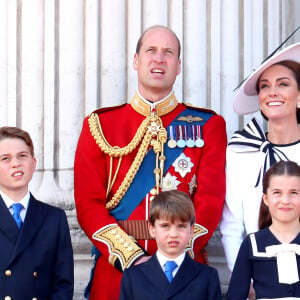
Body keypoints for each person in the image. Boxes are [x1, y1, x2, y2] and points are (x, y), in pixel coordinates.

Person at [74, 25, 227, 300]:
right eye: (151, 51)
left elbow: (211, 201)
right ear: (136, 61)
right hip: (117, 273)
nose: (159, 59)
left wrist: (176, 255)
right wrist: (130, 256)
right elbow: (88, 204)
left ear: (178, 66)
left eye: (168, 53)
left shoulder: (208, 126)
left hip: (184, 274)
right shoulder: (99, 125)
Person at [220, 42, 300, 277]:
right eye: (265, 86)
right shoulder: (241, 149)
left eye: (283, 84)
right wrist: (243, 277)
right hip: (258, 273)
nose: (272, 92)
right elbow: (232, 225)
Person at [0, 126, 74, 299]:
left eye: (22, 156)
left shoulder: (54, 219)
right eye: (5, 158)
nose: (16, 163)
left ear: (33, 164)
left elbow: (63, 284)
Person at [120, 190, 222, 300]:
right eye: (165, 226)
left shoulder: (207, 277)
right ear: (152, 229)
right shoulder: (133, 277)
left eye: (181, 226)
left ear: (192, 230)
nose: (173, 234)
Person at [227, 160, 300, 299]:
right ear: (266, 198)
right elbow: (235, 295)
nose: (285, 200)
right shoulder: (252, 243)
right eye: (277, 192)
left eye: (294, 192)